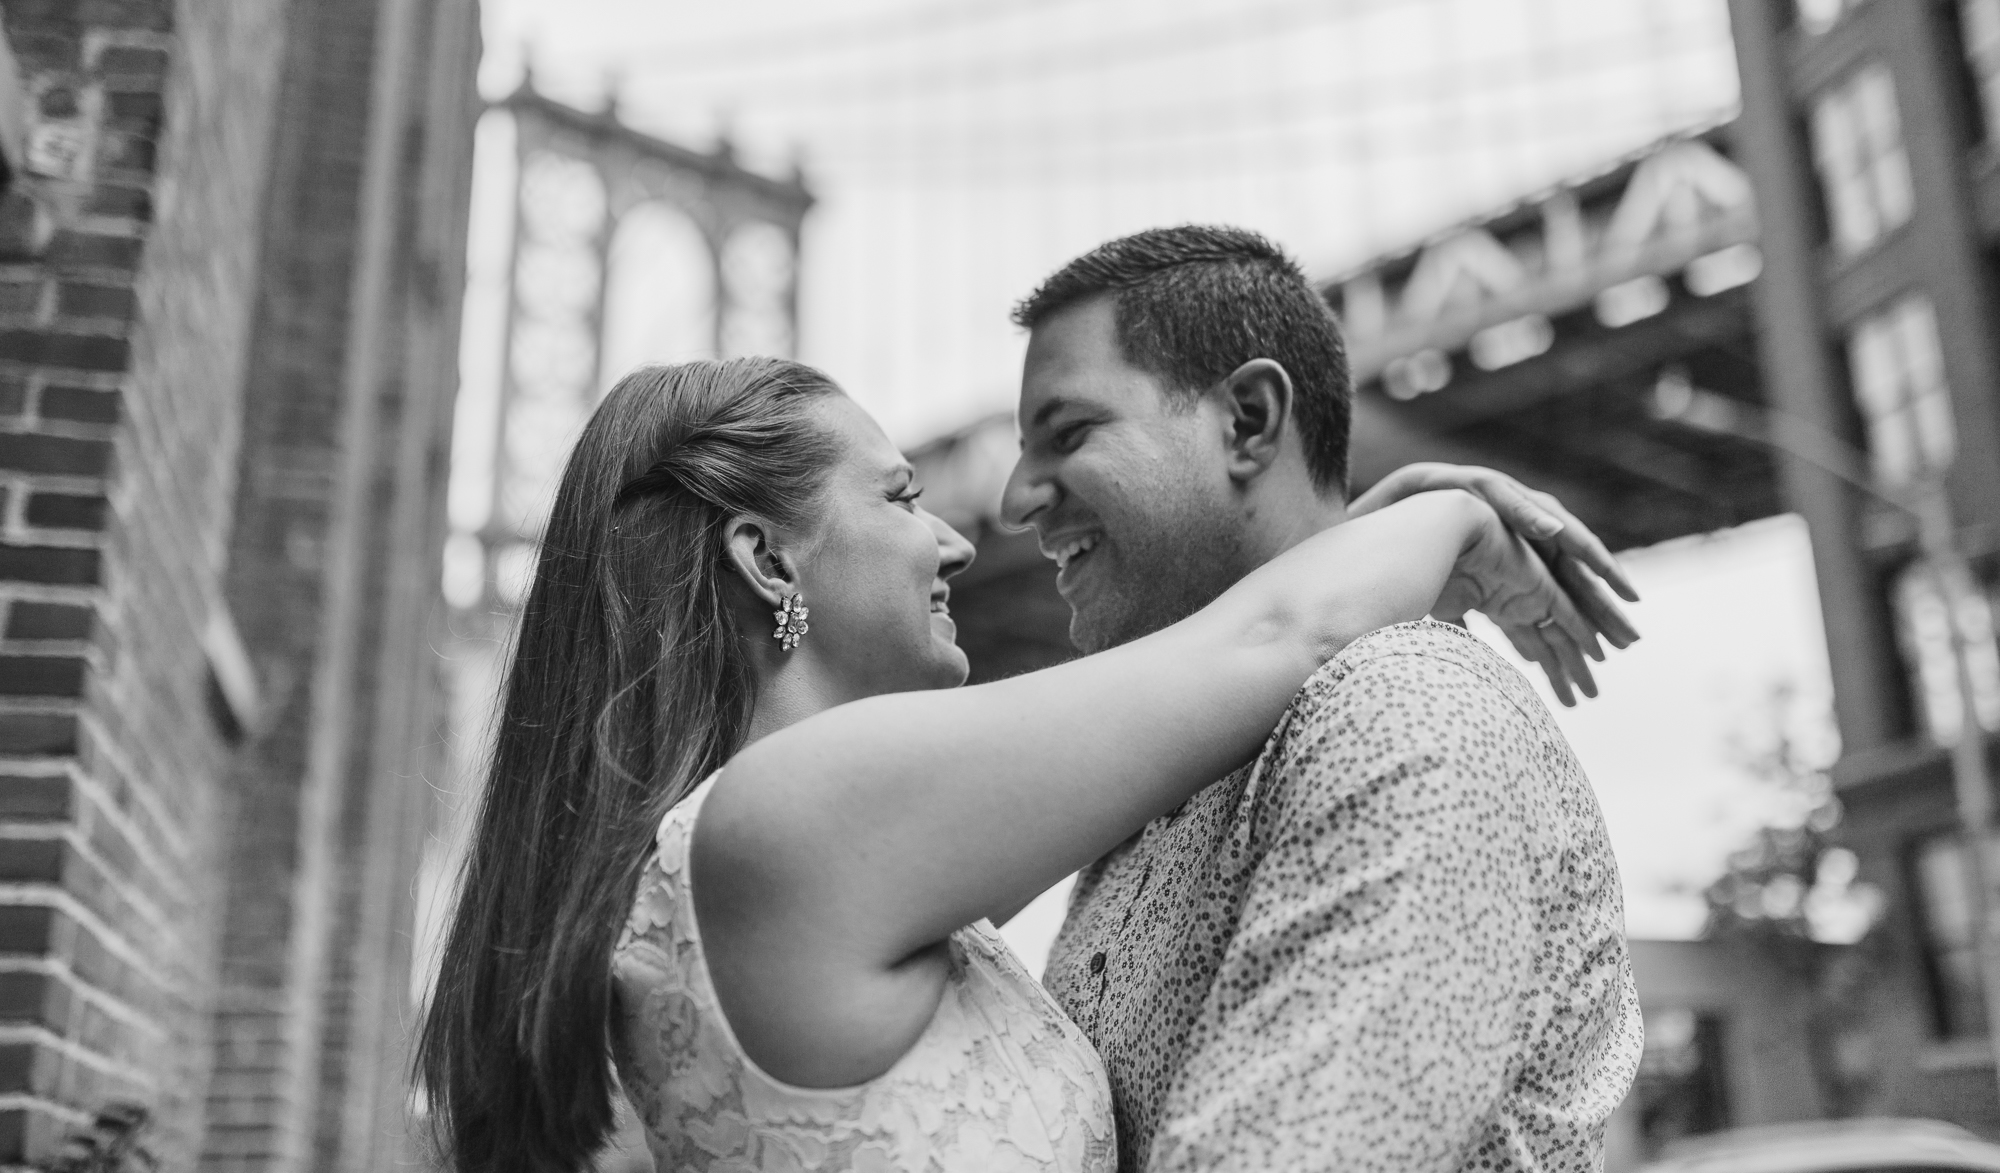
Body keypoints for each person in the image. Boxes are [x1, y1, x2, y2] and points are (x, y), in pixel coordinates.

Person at [414, 352, 1632, 1173]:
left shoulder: (766, 864)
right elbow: (1273, 639)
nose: (951, 534)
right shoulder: (794, 823)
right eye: (897, 497)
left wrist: (1360, 539)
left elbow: (1177, 730)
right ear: (766, 561)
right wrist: (1456, 515)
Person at [1000, 224, 1646, 1172]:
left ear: (1251, 420)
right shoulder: (1158, 767)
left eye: (1070, 433)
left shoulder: (1406, 715)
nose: (1015, 499)